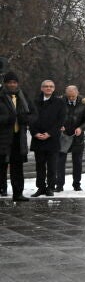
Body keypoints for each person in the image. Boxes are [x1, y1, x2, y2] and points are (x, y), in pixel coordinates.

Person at [29, 80, 65, 197]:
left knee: (52, 166)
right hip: (38, 138)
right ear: (42, 88)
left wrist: (49, 133)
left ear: (54, 88)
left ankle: (50, 187)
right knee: (39, 166)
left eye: (51, 86)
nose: (48, 88)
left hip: (52, 139)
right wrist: (35, 133)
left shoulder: (59, 102)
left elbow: (61, 121)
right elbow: (30, 119)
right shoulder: (34, 102)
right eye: (46, 86)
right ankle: (40, 187)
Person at [0, 72, 33, 201]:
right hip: (3, 138)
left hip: (18, 138)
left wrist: (27, 119)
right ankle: (2, 189)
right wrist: (8, 118)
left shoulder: (22, 96)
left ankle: (18, 193)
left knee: (17, 168)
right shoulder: (1, 95)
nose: (12, 85)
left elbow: (33, 113)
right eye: (9, 82)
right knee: (1, 166)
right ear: (5, 83)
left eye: (14, 82)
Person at [58, 85, 85, 191]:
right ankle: (59, 185)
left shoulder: (83, 104)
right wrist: (59, 125)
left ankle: (76, 184)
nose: (71, 98)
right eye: (69, 96)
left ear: (77, 93)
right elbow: (55, 117)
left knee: (77, 162)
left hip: (77, 137)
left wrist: (81, 128)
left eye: (73, 96)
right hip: (63, 137)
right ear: (66, 94)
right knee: (59, 162)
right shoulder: (60, 102)